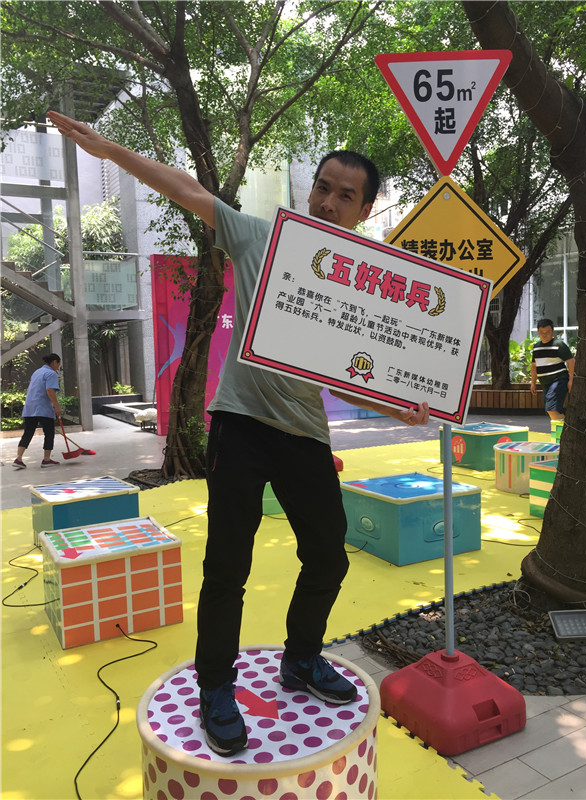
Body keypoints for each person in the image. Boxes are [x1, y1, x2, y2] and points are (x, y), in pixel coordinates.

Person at [47, 110, 430, 757]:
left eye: (345, 195)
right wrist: (109, 150)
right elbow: (185, 188)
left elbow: (351, 378)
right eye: (323, 188)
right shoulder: (261, 238)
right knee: (228, 564)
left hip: (305, 431)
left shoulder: (363, 281)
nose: (329, 202)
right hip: (241, 424)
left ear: (364, 210)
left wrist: (401, 409)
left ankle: (301, 659)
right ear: (311, 190)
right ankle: (216, 687)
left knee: (329, 556)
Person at [13, 353, 62, 469]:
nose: (58, 367)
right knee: (49, 433)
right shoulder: (51, 373)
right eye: (58, 364)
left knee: (28, 433)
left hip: (30, 407)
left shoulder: (37, 372)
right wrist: (56, 406)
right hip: (43, 407)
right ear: (54, 362)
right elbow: (49, 390)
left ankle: (18, 459)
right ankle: (46, 460)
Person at [530, 318, 575, 421]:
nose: (544, 335)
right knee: (551, 410)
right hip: (546, 384)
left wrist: (571, 380)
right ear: (538, 332)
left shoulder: (559, 345)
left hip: (559, 380)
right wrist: (533, 383)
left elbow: (571, 361)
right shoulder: (536, 347)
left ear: (552, 331)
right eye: (541, 332)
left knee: (551, 409)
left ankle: (568, 427)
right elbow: (534, 366)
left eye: (547, 332)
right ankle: (564, 428)